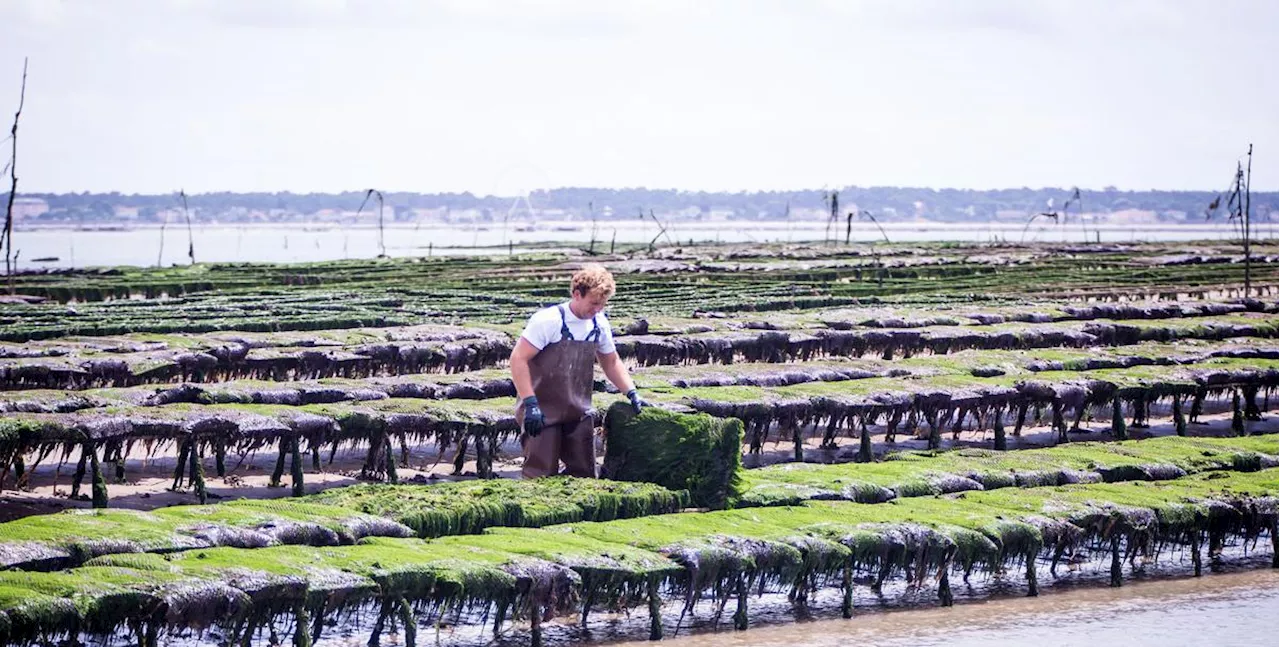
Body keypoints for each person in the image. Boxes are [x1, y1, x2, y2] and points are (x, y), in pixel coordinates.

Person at [509, 263, 645, 478]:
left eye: (602, 304)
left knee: (584, 474)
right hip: (541, 410)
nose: (597, 309)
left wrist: (631, 392)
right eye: (593, 303)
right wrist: (530, 403)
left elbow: (611, 362)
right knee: (540, 473)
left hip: (579, 410)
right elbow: (518, 359)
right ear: (576, 294)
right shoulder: (548, 321)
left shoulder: (598, 323)